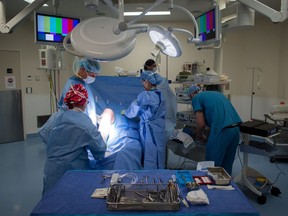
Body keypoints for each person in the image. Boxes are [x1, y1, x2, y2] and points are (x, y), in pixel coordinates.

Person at [39, 84, 107, 195]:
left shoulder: (56, 116)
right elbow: (100, 151)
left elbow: (43, 133)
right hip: (73, 171)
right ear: (84, 103)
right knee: (71, 203)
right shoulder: (84, 123)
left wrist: (60, 145)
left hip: (52, 170)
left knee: (51, 204)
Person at [188, 85, 242, 175]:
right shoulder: (217, 94)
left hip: (221, 131)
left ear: (192, 94)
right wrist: (207, 136)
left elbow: (201, 123)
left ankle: (211, 188)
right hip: (235, 130)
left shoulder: (196, 98)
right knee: (226, 166)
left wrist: (199, 134)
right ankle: (226, 187)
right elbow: (215, 117)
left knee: (212, 166)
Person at [124, 71, 166, 169]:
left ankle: (149, 177)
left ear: (147, 82)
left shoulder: (146, 95)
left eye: (143, 81)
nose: (142, 84)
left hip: (149, 131)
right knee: (159, 152)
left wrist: (125, 113)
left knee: (150, 154)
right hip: (159, 129)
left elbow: (132, 112)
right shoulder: (160, 94)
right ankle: (161, 174)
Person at [58, 57, 101, 125]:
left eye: (95, 76)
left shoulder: (83, 84)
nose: (93, 78)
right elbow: (74, 114)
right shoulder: (74, 88)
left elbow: (86, 108)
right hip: (78, 128)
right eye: (92, 75)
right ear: (82, 69)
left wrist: (95, 117)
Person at [144, 59, 177, 139]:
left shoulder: (160, 80)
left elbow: (168, 98)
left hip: (163, 117)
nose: (155, 67)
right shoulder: (145, 81)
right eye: (153, 66)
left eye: (155, 66)